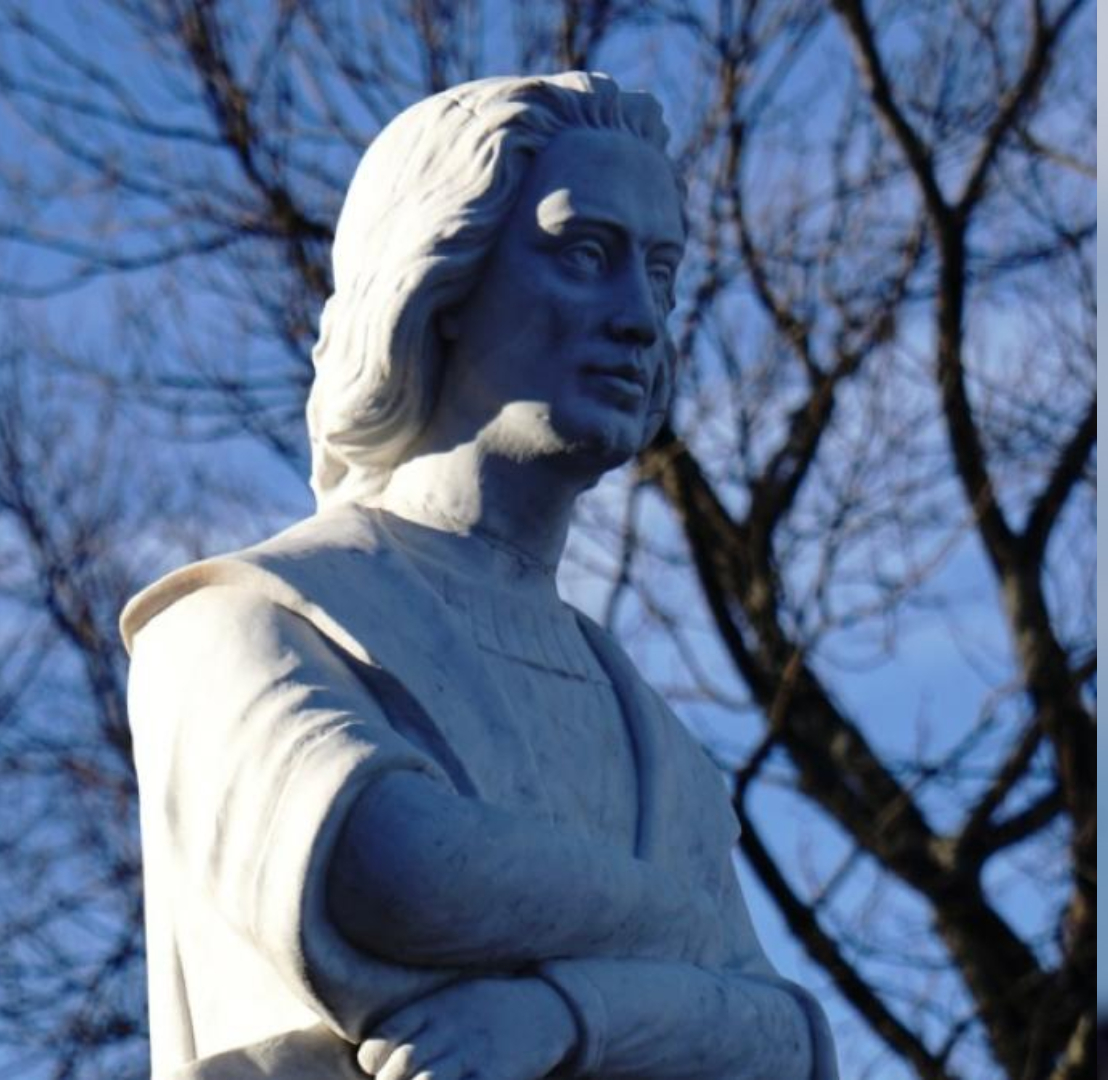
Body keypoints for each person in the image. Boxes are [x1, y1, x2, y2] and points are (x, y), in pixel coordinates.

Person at [121, 73, 835, 1079]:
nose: (640, 317)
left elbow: (786, 1042)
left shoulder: (657, 747)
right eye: (585, 255)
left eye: (661, 272)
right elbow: (400, 876)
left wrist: (567, 1013)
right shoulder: (245, 621)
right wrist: (680, 945)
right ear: (437, 281)